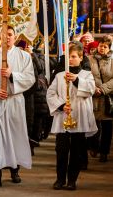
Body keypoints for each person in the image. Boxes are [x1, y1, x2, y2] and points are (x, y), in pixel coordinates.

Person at [0, 26, 35, 188]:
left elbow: (30, 78)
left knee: (14, 137)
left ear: (15, 37)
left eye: (10, 34)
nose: (7, 37)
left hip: (14, 102)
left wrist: (12, 76)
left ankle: (14, 169)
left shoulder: (24, 56)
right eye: (4, 34)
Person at [47, 43, 97, 191]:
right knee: (61, 150)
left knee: (76, 151)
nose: (71, 59)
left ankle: (72, 180)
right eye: (69, 57)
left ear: (81, 58)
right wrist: (61, 105)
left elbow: (90, 90)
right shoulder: (58, 75)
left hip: (79, 117)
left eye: (74, 56)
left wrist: (76, 80)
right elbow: (50, 94)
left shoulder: (86, 75)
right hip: (64, 116)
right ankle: (60, 179)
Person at [88, 35, 113, 162]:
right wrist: (93, 89)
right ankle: (93, 146)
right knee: (94, 124)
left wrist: (103, 89)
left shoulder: (112, 60)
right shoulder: (90, 59)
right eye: (101, 45)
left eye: (105, 46)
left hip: (107, 98)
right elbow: (86, 75)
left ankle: (104, 151)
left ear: (109, 48)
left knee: (107, 127)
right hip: (93, 97)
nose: (102, 48)